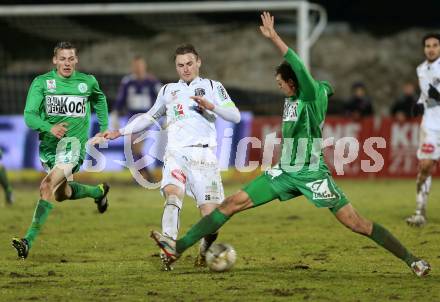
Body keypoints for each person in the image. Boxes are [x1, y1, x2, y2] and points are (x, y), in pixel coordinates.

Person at [150, 12, 431, 277]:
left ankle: (413, 261)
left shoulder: (307, 94)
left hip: (311, 173)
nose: (279, 88)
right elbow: (326, 86)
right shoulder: (303, 94)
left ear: (294, 83)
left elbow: (298, 65)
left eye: (281, 83)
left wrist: (274, 37)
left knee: (356, 223)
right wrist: (326, 87)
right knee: (231, 203)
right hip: (285, 171)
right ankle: (177, 247)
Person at [104, 44, 241, 270]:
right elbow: (149, 117)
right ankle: (167, 250)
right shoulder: (168, 90)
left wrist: (212, 106)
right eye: (180, 65)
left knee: (213, 220)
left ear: (198, 62)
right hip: (176, 153)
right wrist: (120, 131)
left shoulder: (213, 86)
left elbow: (234, 115)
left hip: (204, 156)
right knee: (172, 195)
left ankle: (204, 251)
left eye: (189, 63)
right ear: (176, 67)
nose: (185, 69)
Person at [12, 42, 110, 259]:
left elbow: (100, 99)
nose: (67, 63)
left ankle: (27, 241)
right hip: (49, 148)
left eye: (71, 58)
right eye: (62, 59)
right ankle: (99, 192)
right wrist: (49, 127)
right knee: (61, 194)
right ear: (54, 60)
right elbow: (29, 116)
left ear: (76, 60)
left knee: (46, 185)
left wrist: (103, 128)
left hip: (73, 147)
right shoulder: (42, 83)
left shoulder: (87, 82)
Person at [406, 33, 440, 227]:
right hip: (431, 127)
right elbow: (426, 93)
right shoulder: (421, 69)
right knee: (425, 165)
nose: (431, 48)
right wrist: (419, 103)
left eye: (435, 45)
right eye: (428, 45)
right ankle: (420, 211)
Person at [111, 56, 162, 182]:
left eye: (140, 65)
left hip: (147, 119)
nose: (138, 68)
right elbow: (120, 100)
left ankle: (145, 176)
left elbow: (163, 99)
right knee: (134, 147)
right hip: (131, 119)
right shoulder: (127, 82)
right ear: (133, 67)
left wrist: (165, 117)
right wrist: (115, 115)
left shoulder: (152, 82)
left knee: (135, 145)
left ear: (144, 66)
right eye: (136, 66)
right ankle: (144, 175)